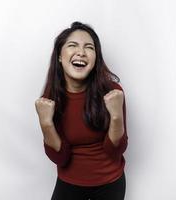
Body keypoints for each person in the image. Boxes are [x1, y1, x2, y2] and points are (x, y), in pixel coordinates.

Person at [35, 21, 128, 200]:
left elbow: (115, 151)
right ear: (60, 56)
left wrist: (116, 117)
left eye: (89, 47)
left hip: (110, 183)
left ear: (95, 58)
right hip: (68, 183)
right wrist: (46, 124)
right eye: (72, 45)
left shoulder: (112, 92)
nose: (81, 52)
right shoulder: (50, 99)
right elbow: (60, 158)